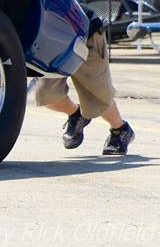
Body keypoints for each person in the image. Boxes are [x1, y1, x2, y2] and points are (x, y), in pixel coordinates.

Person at [35, 14, 135, 155]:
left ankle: (121, 130)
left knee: (98, 97)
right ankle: (77, 116)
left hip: (87, 35)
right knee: (46, 95)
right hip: (56, 42)